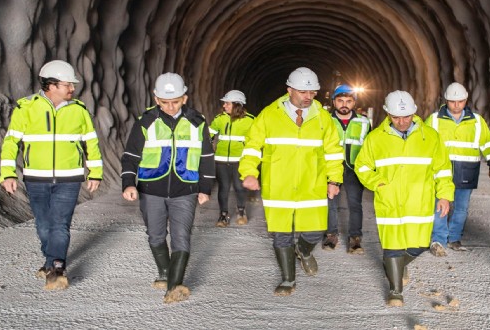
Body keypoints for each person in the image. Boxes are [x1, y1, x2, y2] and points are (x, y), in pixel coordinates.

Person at [239, 67, 344, 296]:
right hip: (279, 184)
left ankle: (304, 251)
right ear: (289, 90)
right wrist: (248, 172)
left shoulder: (323, 118)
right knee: (281, 233)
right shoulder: (269, 115)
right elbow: (252, 146)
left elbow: (334, 151)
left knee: (316, 231)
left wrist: (334, 179)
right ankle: (288, 279)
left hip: (312, 184)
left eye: (312, 92)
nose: (308, 96)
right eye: (303, 92)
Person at [0, 59, 103, 290]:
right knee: (44, 225)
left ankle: (57, 268)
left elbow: (91, 144)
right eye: (68, 84)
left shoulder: (79, 110)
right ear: (52, 85)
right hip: (36, 178)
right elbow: (11, 143)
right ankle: (49, 260)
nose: (72, 89)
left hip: (70, 178)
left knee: (60, 224)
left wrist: (95, 172)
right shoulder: (26, 108)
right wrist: (8, 174)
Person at [120, 72, 215, 304]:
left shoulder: (198, 122)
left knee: (182, 237)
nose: (170, 107)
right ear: (156, 99)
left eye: (175, 101)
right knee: (155, 235)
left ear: (185, 98)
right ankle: (164, 271)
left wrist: (205, 188)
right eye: (165, 102)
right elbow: (131, 156)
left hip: (186, 189)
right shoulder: (145, 122)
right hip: (151, 189)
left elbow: (207, 157)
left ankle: (174, 286)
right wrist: (128, 183)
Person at [354, 90, 454, 307]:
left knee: (418, 245)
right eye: (396, 117)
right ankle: (395, 290)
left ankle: (396, 265)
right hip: (389, 201)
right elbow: (362, 166)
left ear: (414, 113)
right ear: (387, 114)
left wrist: (445, 195)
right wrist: (378, 183)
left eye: (406, 116)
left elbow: (443, 169)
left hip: (420, 200)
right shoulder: (375, 139)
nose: (402, 121)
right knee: (392, 246)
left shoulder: (431, 137)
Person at [425, 82, 490, 256]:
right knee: (440, 205)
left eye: (460, 101)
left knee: (461, 207)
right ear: (446, 100)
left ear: (466, 100)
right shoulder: (434, 119)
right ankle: (438, 239)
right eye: (453, 101)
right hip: (441, 171)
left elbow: (488, 142)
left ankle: (454, 238)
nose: (456, 105)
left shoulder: (477, 121)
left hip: (467, 170)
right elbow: (423, 142)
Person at [322, 84, 371, 253]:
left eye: (348, 101)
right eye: (340, 100)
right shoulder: (325, 120)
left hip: (353, 169)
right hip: (330, 169)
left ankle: (355, 239)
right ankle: (330, 235)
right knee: (330, 204)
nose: (344, 104)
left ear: (354, 102)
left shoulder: (363, 122)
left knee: (355, 205)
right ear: (334, 102)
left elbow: (369, 146)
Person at [209, 90, 255, 227]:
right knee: (223, 188)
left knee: (239, 187)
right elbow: (209, 134)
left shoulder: (250, 121)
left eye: (227, 103)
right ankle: (223, 215)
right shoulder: (220, 119)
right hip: (221, 160)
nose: (224, 106)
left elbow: (255, 140)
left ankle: (241, 211)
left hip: (240, 160)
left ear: (237, 105)